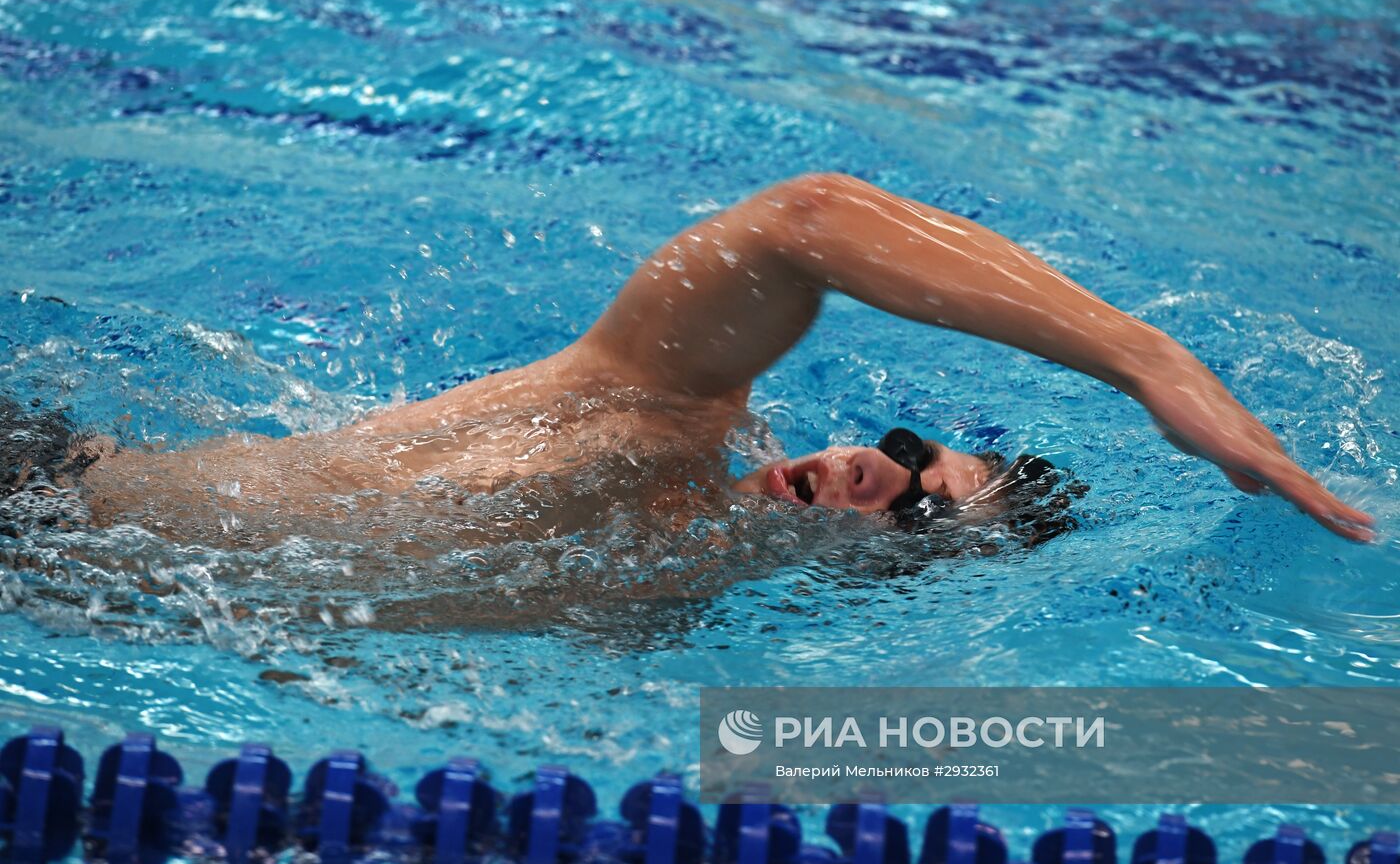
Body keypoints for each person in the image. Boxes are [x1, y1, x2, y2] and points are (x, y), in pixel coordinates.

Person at [55, 173, 1372, 545]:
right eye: (907, 449)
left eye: (916, 503)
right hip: (49, 491)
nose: (874, 468)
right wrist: (1147, 361)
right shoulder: (666, 405)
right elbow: (806, 221)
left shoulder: (655, 616)